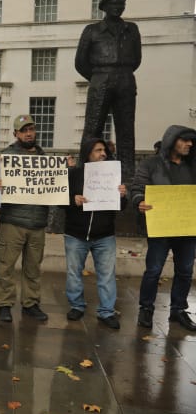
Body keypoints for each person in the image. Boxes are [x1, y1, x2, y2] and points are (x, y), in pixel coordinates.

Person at [131, 125, 196, 331]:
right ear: (172, 141)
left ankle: (178, 309)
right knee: (154, 270)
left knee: (185, 271)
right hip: (160, 228)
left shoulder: (193, 166)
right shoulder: (151, 164)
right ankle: (146, 308)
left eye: (191, 141)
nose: (189, 144)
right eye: (184, 140)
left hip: (186, 230)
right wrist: (139, 200)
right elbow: (138, 187)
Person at [75, 0, 141, 184]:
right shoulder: (91, 30)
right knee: (93, 127)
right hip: (100, 78)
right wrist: (97, 77)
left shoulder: (132, 29)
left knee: (126, 129)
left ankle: (127, 174)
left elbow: (137, 59)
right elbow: (80, 62)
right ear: (105, 7)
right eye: (114, 4)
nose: (118, 8)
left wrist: (121, 72)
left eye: (121, 5)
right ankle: (84, 169)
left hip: (126, 78)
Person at [62, 138, 127, 329]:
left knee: (107, 274)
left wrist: (123, 195)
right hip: (76, 233)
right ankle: (77, 306)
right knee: (74, 273)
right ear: (88, 153)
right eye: (98, 150)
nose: (103, 153)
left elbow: (122, 206)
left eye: (104, 150)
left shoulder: (113, 175)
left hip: (104, 234)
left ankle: (107, 311)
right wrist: (73, 200)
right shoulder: (74, 174)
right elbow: (59, 200)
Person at [0, 115, 50, 322]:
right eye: (24, 130)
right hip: (12, 221)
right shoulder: (7, 157)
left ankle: (31, 303)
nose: (28, 133)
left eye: (31, 129)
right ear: (15, 134)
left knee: (34, 267)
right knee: (6, 266)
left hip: (37, 222)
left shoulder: (45, 158)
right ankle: (4, 304)